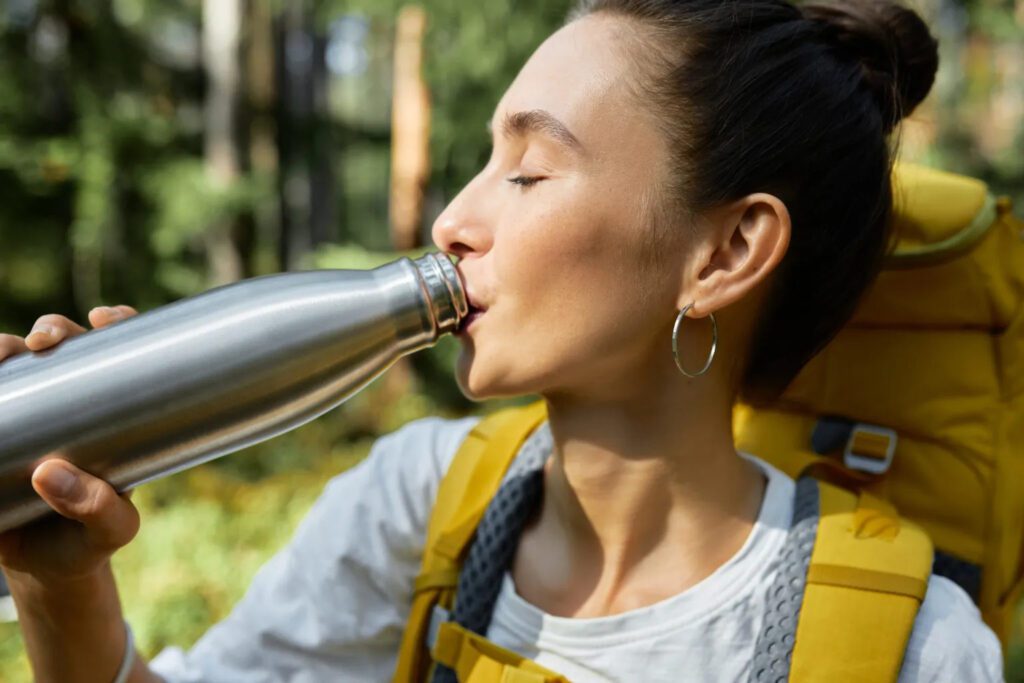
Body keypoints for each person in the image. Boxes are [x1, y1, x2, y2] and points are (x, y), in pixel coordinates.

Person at [0, 0, 1006, 681]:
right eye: (484, 160)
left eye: (528, 170)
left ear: (726, 251)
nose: (451, 219)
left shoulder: (906, 645)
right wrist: (60, 579)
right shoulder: (423, 502)